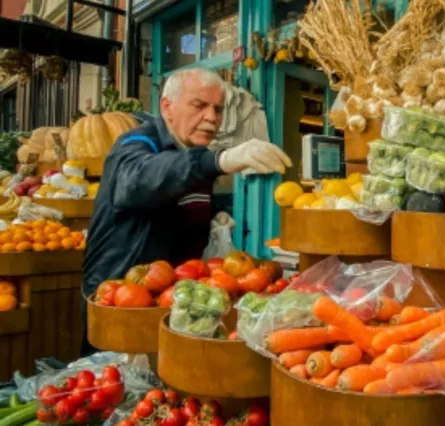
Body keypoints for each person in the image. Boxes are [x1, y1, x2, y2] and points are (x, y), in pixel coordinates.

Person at [81, 68, 291, 354]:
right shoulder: (136, 144)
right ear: (167, 107)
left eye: (218, 109)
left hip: (174, 305)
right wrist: (220, 160)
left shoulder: (192, 150)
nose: (212, 118)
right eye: (199, 105)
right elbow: (145, 178)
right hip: (122, 303)